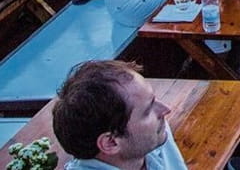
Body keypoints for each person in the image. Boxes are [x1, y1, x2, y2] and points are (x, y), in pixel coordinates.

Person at [53, 60, 187, 169]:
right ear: (111, 143)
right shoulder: (150, 137)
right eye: (147, 111)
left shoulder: (151, 137)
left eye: (153, 99)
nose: (165, 109)